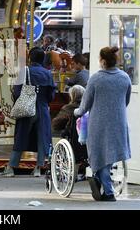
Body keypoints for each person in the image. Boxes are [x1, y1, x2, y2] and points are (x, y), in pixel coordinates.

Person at [74, 46, 131, 202]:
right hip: (118, 122)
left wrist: (76, 112)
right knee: (110, 154)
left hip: (99, 124)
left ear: (103, 61)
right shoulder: (125, 78)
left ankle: (108, 190)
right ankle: (104, 183)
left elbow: (85, 105)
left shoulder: (96, 79)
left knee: (98, 155)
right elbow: (126, 101)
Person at [0, 47, 55, 177]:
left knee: (21, 137)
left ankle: (11, 167)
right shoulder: (48, 73)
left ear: (30, 58)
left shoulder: (25, 71)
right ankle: (38, 168)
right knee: (42, 138)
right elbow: (51, 95)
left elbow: (17, 92)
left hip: (27, 108)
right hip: (43, 109)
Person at [52, 84, 87, 179]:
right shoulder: (88, 108)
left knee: (63, 134)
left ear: (72, 96)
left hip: (74, 143)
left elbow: (56, 125)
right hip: (88, 142)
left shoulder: (68, 108)